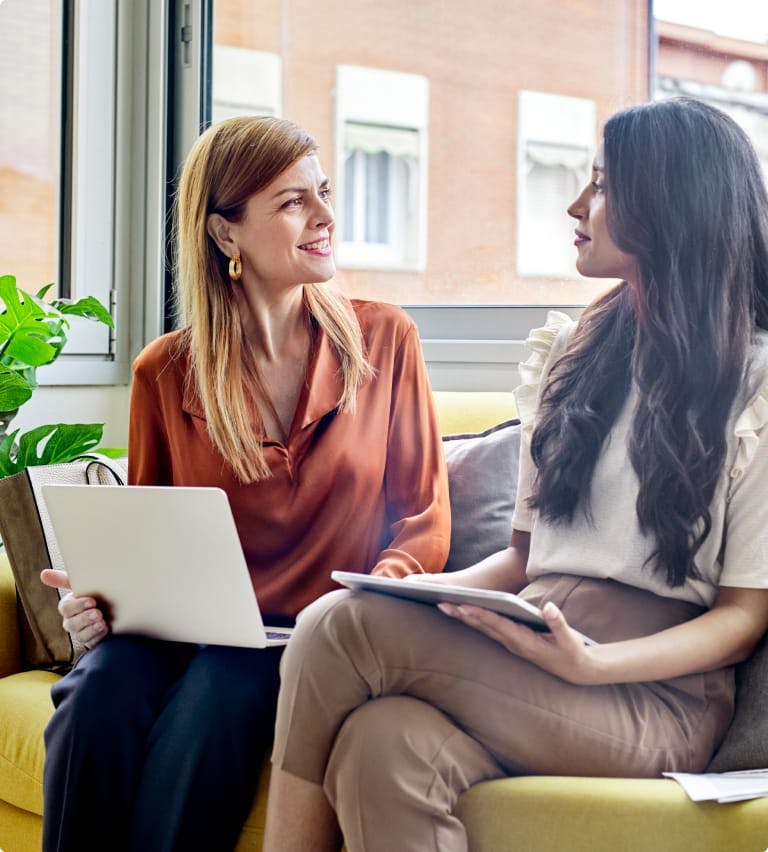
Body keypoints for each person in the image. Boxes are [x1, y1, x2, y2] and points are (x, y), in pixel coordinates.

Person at [262, 97, 768, 852]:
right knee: (384, 741)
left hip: (652, 698)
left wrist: (597, 665)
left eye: (601, 186)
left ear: (670, 205)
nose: (577, 204)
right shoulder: (575, 357)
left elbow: (743, 615)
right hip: (533, 648)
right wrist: (415, 595)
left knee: (334, 629)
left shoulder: (753, 384)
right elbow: (523, 561)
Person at [39, 115, 449, 852]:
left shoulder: (387, 339)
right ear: (226, 236)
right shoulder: (163, 371)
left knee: (223, 691)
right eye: (294, 202)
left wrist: (373, 597)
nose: (326, 217)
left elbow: (423, 517)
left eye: (322, 193)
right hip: (188, 631)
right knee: (96, 691)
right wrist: (97, 600)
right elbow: (153, 535)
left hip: (306, 639)